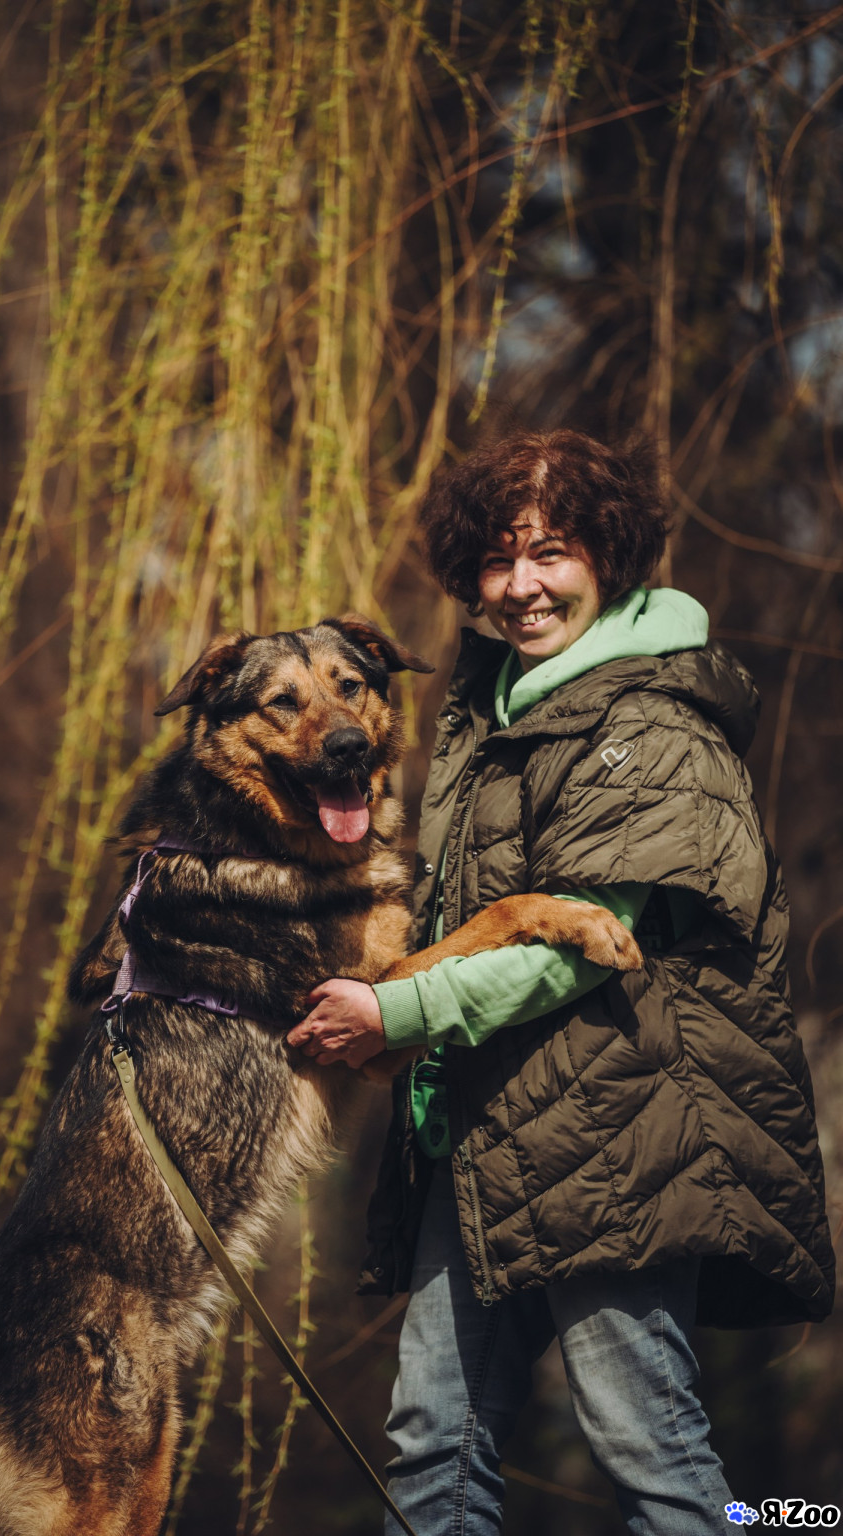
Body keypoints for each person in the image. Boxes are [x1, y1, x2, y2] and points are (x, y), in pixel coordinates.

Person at [286, 428, 835, 1536]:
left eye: (551, 552)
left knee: (646, 1444)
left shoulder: (653, 720)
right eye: (498, 559)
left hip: (622, 1126)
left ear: (610, 555)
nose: (522, 585)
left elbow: (579, 944)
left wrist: (396, 1011)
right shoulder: (495, 713)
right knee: (433, 1441)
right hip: (479, 1128)